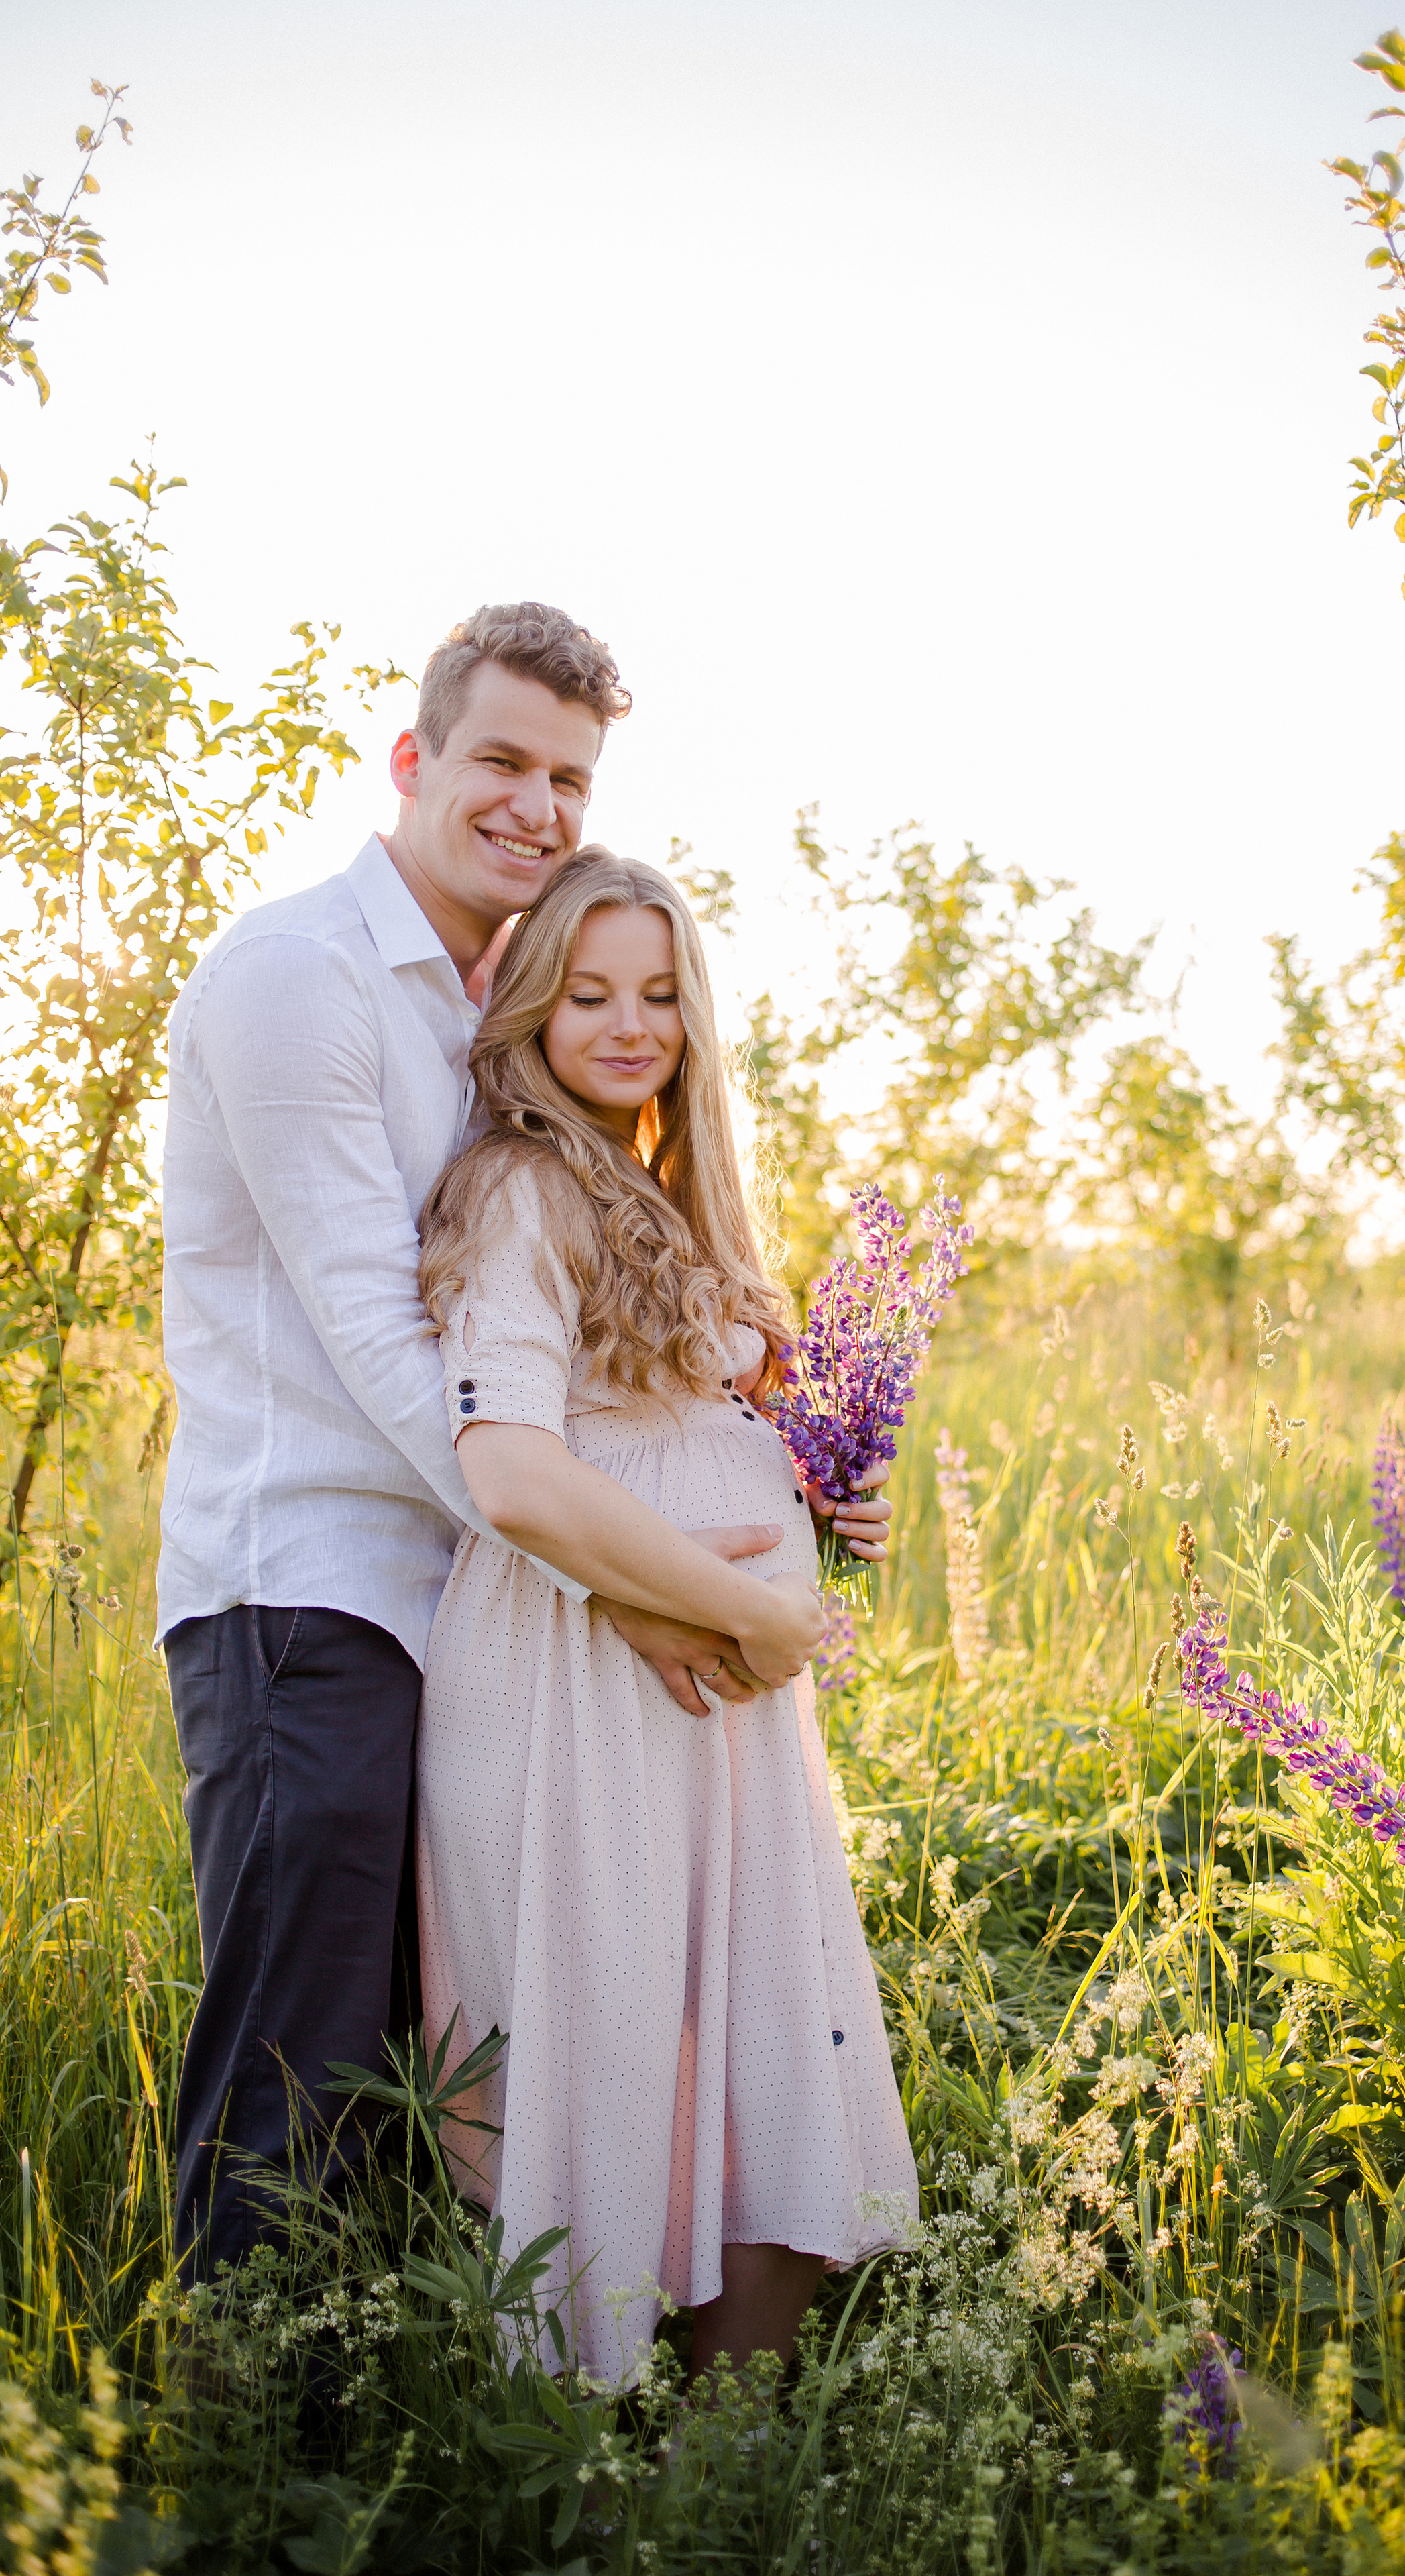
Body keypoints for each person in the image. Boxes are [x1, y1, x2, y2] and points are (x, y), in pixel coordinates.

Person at [157, 604, 796, 2275]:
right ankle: (236, 2473)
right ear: (414, 760)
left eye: (569, 778)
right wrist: (611, 1572)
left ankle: (387, 2461)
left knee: (414, 2091)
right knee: (290, 2080)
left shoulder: (491, 999)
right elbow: (390, 1344)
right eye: (502, 761)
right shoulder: (299, 977)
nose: (536, 805)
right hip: (302, 1596)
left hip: (461, 1598)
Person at [415, 853, 918, 2390]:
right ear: (528, 1008)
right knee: (621, 2023)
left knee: (748, 2021)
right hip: (584, 1688)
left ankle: (728, 2460)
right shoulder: (518, 1185)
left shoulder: (674, 1201)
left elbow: (682, 1434)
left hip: (724, 1700)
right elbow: (512, 1467)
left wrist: (822, 1506)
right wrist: (755, 1622)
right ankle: (587, 2455)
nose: (626, 1025)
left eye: (654, 993)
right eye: (586, 993)